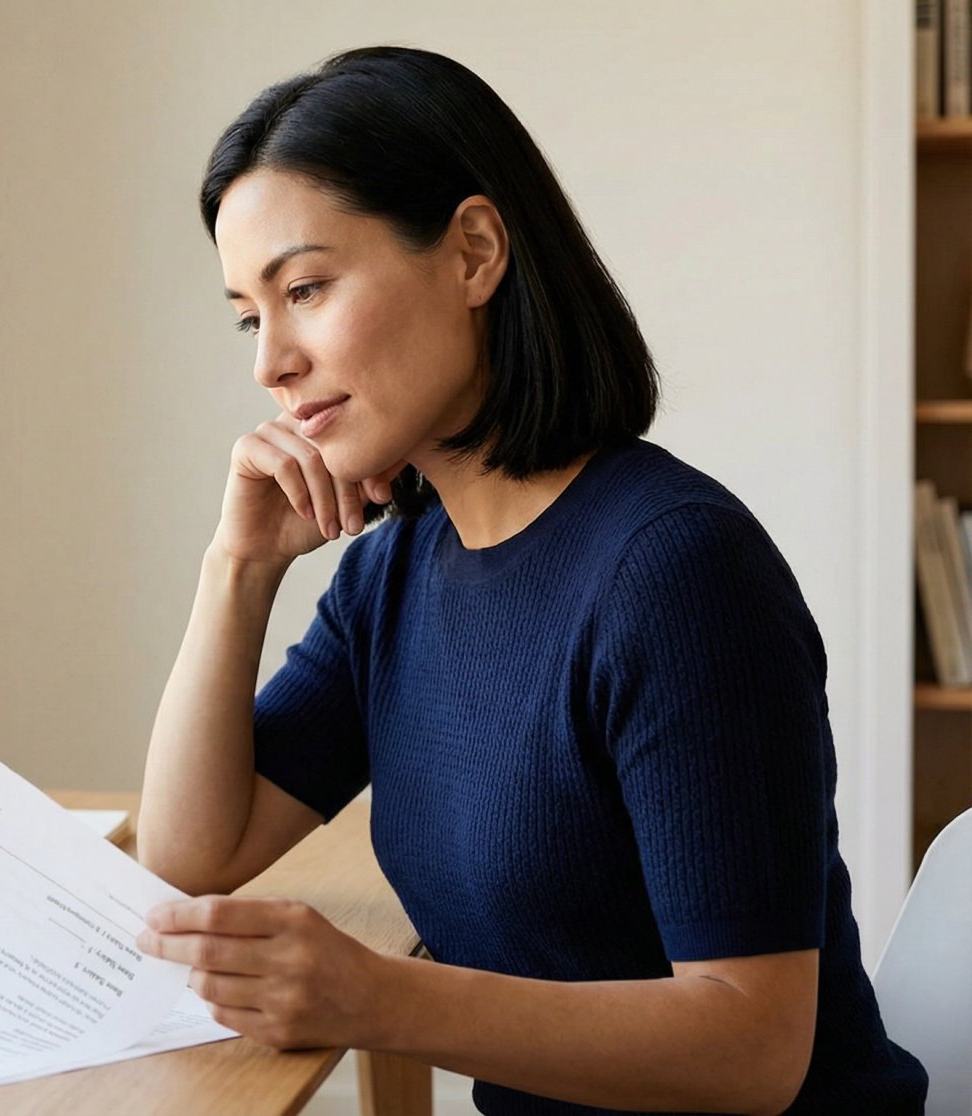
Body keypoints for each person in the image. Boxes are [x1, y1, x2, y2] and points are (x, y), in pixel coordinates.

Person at [131, 46, 926, 1114]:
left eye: (305, 289)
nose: (267, 360)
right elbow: (194, 852)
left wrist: (380, 998)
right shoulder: (397, 571)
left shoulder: (675, 573)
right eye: (247, 313)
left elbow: (753, 1045)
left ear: (470, 252)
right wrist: (234, 570)